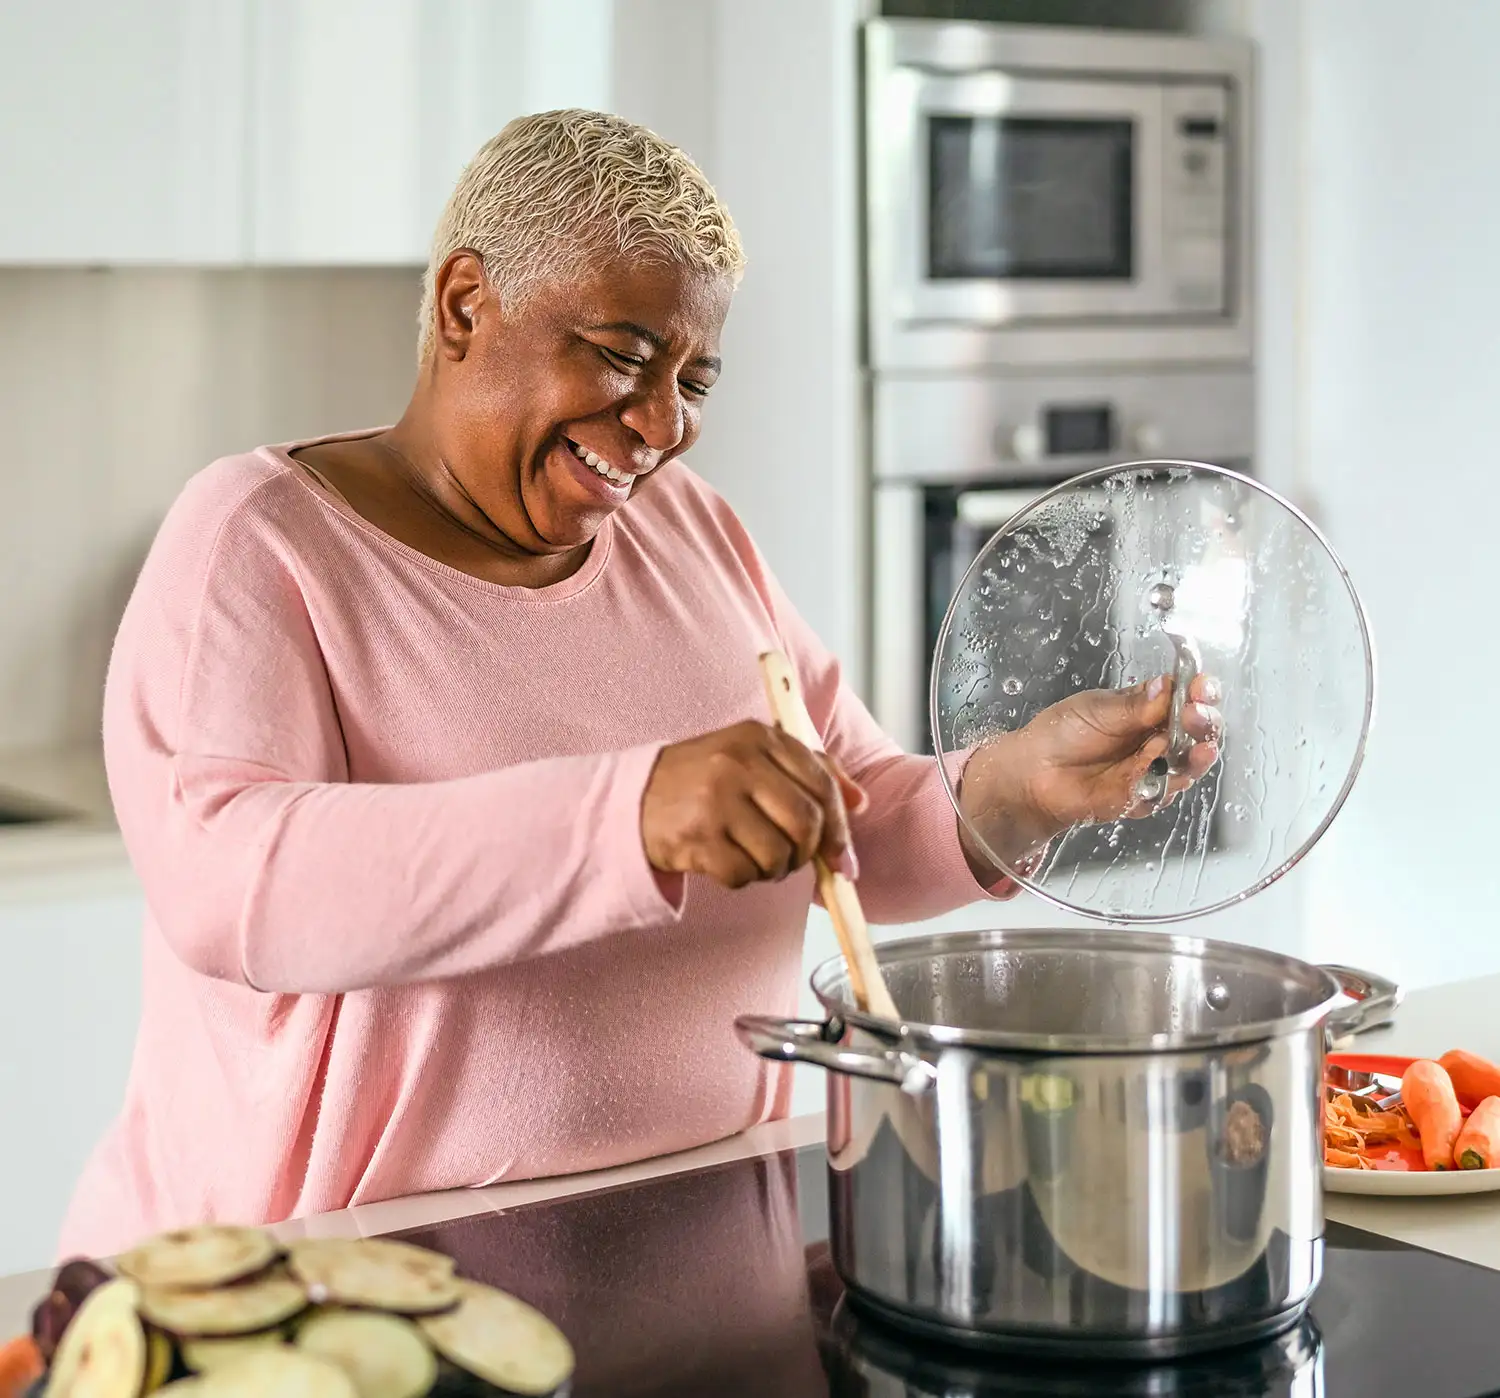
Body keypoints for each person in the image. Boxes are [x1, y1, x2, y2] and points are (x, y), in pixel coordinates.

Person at [60, 110, 1219, 1258]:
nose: (664, 425)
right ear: (468, 305)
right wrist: (628, 815)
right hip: (342, 1288)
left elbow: (843, 815)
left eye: (693, 378)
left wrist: (1013, 788)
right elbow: (235, 884)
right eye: (621, 355)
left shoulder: (690, 531)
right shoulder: (263, 542)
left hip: (707, 1238)